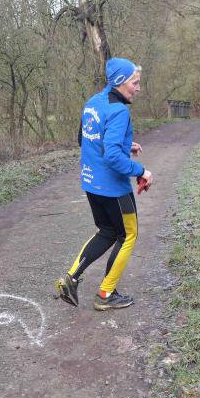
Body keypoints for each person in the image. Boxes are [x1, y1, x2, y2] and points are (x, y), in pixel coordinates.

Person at [55, 57, 153, 311]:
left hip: (91, 183)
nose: (138, 88)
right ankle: (106, 294)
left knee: (107, 232)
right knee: (128, 235)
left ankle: (70, 278)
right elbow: (112, 157)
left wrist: (123, 145)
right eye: (135, 82)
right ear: (120, 81)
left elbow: (85, 139)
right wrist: (142, 171)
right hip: (114, 189)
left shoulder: (93, 102)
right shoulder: (119, 111)